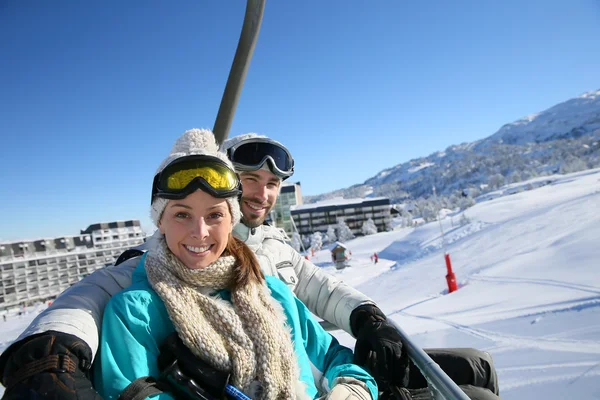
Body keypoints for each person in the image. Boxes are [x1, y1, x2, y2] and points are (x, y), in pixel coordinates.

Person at [0, 132, 499, 400]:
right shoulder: (144, 285)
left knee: (476, 378)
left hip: (310, 380)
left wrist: (367, 317)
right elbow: (92, 294)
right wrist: (52, 347)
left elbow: (317, 293)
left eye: (216, 215)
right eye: (251, 180)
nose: (200, 233)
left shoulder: (268, 269)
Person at [91, 129, 377, 399]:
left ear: (231, 221)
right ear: (160, 222)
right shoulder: (135, 313)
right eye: (182, 215)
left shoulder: (272, 293)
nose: (200, 232)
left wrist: (353, 388)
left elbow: (337, 359)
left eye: (214, 215)